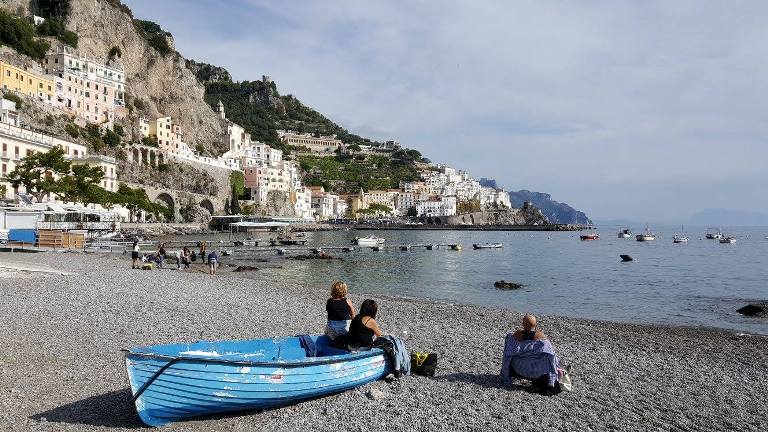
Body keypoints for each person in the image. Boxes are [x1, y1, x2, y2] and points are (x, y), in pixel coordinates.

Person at [501, 314, 562, 395]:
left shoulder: (517, 335)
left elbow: (508, 352)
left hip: (519, 367)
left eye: (523, 323)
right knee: (548, 361)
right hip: (536, 370)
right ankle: (559, 372)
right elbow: (551, 355)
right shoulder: (541, 338)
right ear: (535, 325)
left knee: (511, 357)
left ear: (525, 324)